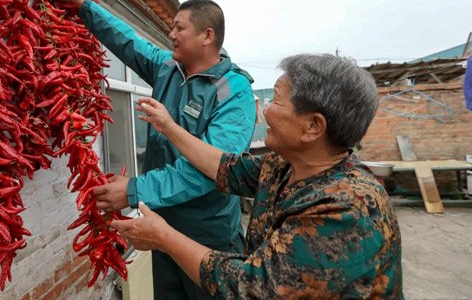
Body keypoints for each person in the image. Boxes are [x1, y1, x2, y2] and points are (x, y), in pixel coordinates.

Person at [113, 54, 403, 299]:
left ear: (313, 127)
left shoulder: (345, 209)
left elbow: (250, 287)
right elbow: (225, 168)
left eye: (276, 101)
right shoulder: (285, 166)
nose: (265, 110)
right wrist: (168, 126)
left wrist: (163, 237)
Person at [41, 0, 256, 299]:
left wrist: (134, 189)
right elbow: (128, 41)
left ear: (207, 36)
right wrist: (81, 3)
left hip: (208, 237)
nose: (171, 34)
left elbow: (212, 169)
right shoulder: (169, 68)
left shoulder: (233, 92)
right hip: (161, 225)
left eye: (179, 27)